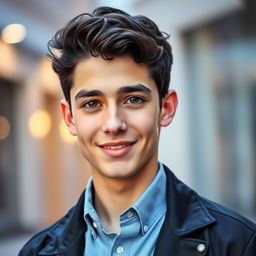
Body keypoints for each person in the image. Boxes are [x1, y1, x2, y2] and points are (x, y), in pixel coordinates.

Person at [19, 6, 256, 256]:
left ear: (166, 108)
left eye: (133, 99)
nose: (113, 124)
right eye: (92, 104)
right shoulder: (36, 252)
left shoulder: (239, 245)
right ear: (69, 118)